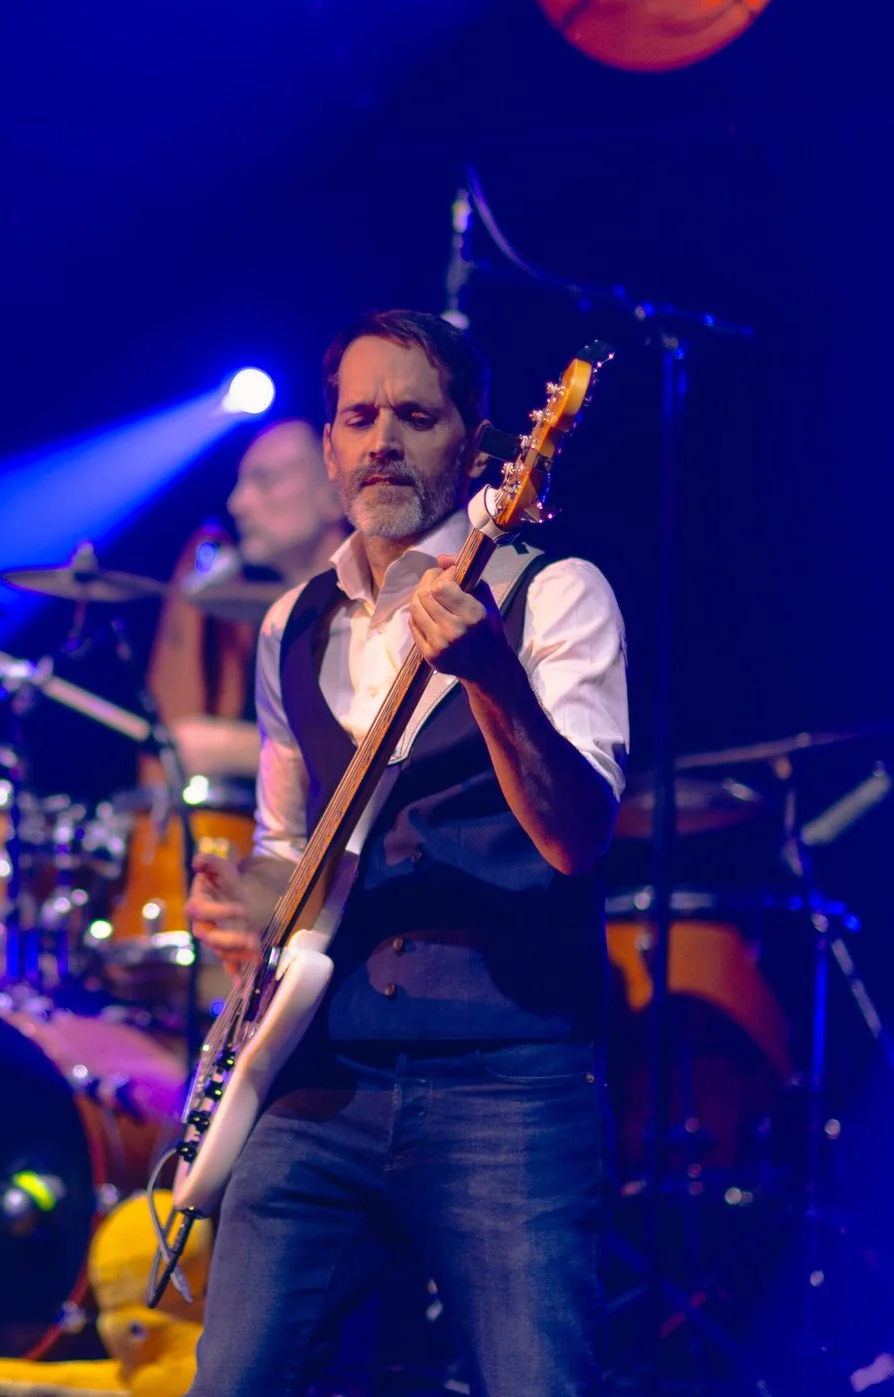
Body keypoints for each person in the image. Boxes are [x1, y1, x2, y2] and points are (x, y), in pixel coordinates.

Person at [184, 311, 629, 1395]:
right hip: (322, 1079)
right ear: (330, 446)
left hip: (507, 1082)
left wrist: (491, 676)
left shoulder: (554, 592)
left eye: (415, 415)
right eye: (359, 416)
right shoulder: (292, 620)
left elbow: (578, 836)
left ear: (478, 446)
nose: (383, 438)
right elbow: (291, 848)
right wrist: (245, 896)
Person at [147, 419, 348, 783]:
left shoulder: (369, 610)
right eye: (241, 484)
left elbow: (368, 752)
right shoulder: (273, 619)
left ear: (335, 494)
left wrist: (231, 748)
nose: (237, 503)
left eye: (264, 480)